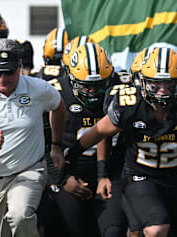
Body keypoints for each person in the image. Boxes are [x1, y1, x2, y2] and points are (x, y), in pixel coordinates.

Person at [66, 46, 177, 237]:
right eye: (155, 85)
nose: (162, 91)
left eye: (169, 85)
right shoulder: (131, 102)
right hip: (141, 176)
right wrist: (71, 155)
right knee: (156, 229)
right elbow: (99, 132)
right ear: (144, 82)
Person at [0, 38, 65, 237]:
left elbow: (58, 106)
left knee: (20, 215)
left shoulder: (38, 88)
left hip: (28, 170)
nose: (3, 79)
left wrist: (56, 145)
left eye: (9, 72)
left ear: (20, 67)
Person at [51, 43, 127, 237]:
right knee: (70, 228)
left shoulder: (124, 88)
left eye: (99, 84)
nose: (93, 91)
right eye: (87, 85)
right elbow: (39, 143)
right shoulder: (54, 93)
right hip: (70, 171)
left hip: (112, 173)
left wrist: (105, 174)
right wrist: (62, 178)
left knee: (113, 230)